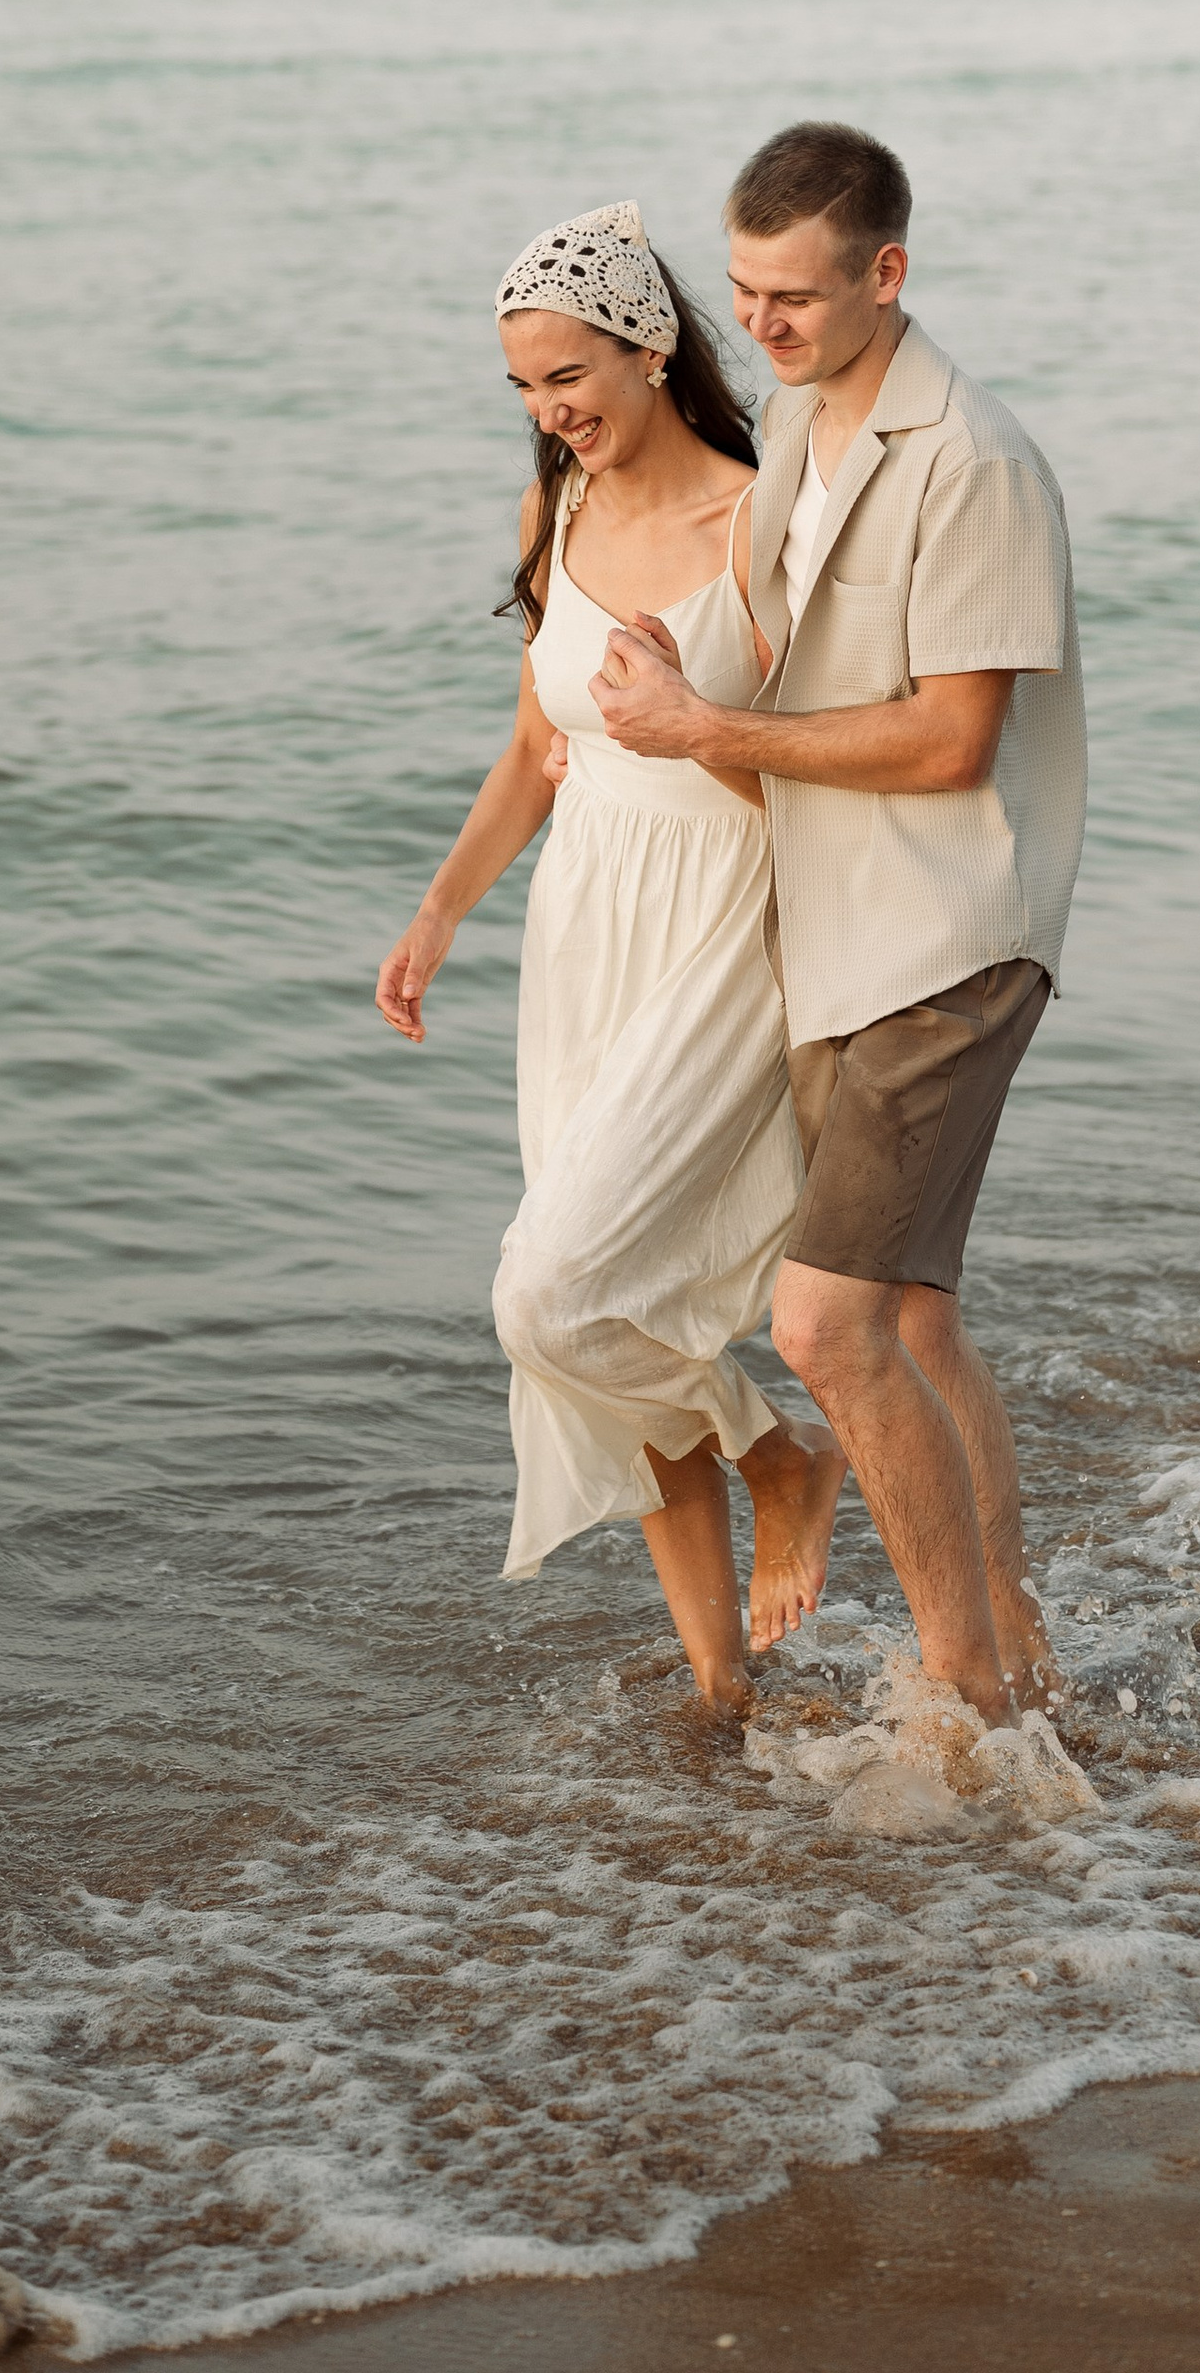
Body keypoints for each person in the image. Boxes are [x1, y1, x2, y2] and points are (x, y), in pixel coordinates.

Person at [590, 123, 1087, 1732]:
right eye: (743, 296)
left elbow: (952, 743)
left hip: (950, 937)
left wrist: (700, 736)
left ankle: (966, 1709)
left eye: (797, 296)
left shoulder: (976, 461)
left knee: (824, 1326)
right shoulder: (803, 425)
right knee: (915, 1316)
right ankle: (1015, 1646)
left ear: (888, 273)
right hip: (837, 937)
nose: (769, 329)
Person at [374, 200, 844, 1709]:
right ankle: (721, 1696)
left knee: (555, 1297)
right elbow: (533, 742)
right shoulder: (555, 513)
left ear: (650, 348)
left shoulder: (764, 523)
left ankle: (785, 1459)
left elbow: (819, 788)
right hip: (586, 923)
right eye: (520, 387)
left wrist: (683, 716)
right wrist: (443, 911)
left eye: (566, 377)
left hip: (726, 920)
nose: (547, 412)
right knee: (605, 1318)